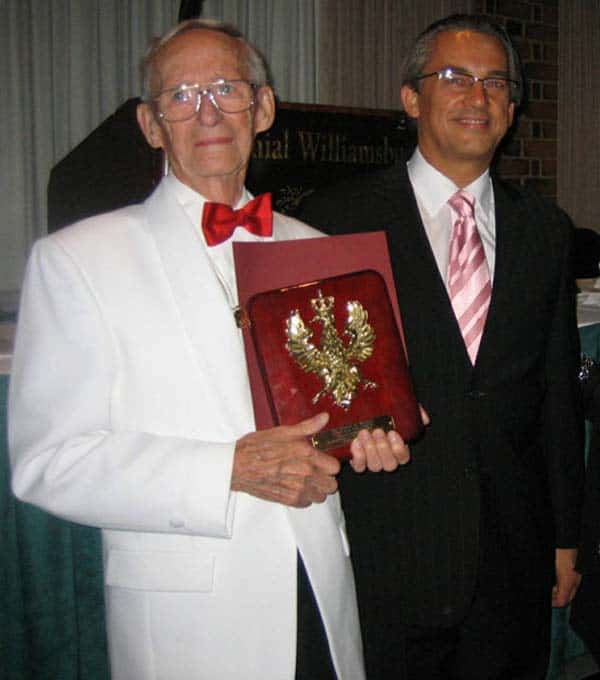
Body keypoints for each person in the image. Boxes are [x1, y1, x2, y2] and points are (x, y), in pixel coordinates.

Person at [8, 19, 411, 680]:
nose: (207, 112)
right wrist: (225, 469)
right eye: (181, 95)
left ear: (264, 107)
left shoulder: (315, 248)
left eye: (226, 88)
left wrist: (369, 436)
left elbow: (343, 406)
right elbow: (48, 462)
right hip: (191, 618)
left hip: (319, 588)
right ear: (150, 124)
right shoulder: (77, 261)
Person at [298, 13, 584, 680]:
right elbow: (317, 394)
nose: (476, 97)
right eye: (454, 77)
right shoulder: (333, 221)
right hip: (388, 546)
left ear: (512, 108)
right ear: (410, 97)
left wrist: (566, 537)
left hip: (511, 553)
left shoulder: (544, 229)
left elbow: (556, 398)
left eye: (495, 83)